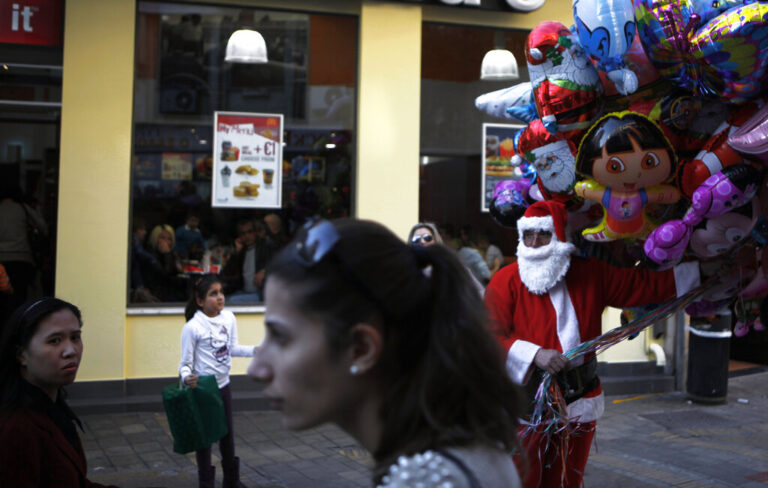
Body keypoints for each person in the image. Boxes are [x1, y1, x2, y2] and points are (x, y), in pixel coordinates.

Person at [249, 218, 525, 487]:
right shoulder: (460, 451)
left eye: (281, 337)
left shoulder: (428, 480)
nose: (256, 369)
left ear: (361, 349)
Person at [484, 200, 700, 488]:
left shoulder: (590, 273)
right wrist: (534, 354)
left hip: (580, 397)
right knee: (524, 476)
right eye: (529, 235)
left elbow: (642, 285)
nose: (535, 243)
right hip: (527, 403)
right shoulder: (505, 281)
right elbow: (488, 338)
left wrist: (702, 273)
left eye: (543, 235)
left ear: (559, 237)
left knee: (569, 476)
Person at [0, 297, 119, 487]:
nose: (70, 351)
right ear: (22, 355)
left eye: (75, 337)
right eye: (54, 341)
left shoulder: (52, 408)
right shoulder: (15, 430)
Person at [180, 275, 254, 488]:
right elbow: (184, 363)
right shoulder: (193, 327)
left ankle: (231, 481)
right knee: (205, 441)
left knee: (227, 436)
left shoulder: (229, 318)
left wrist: (256, 350)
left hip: (224, 386)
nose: (220, 297)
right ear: (200, 300)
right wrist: (187, 377)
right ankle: (206, 483)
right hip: (203, 390)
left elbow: (233, 348)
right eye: (213, 294)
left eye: (221, 292)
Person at [0, 183, 48, 312]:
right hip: (22, 260)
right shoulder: (23, 208)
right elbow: (43, 227)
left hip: (1, 260)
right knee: (19, 300)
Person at [220, 220, 276, 303]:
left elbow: (280, 263)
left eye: (249, 232)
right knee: (224, 300)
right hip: (244, 291)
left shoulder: (265, 245)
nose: (247, 236)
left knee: (231, 301)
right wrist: (236, 253)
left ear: (255, 232)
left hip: (260, 294)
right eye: (243, 234)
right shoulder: (242, 250)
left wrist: (265, 271)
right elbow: (228, 273)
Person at [140, 224, 185, 302]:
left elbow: (176, 272)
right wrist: (167, 254)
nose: (166, 242)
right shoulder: (149, 254)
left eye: (169, 239)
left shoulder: (171, 254)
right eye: (162, 238)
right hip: (156, 294)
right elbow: (164, 274)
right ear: (155, 238)